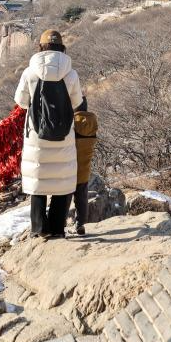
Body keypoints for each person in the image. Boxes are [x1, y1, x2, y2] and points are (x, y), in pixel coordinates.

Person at [14, 29, 83, 238]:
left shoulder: (30, 72)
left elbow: (21, 101)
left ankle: (39, 229)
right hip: (64, 135)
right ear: (62, 47)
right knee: (62, 181)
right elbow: (77, 102)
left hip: (37, 134)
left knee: (38, 180)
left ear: (41, 47)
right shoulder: (71, 73)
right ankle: (57, 228)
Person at [72, 95, 98, 236]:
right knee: (81, 197)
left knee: (64, 197)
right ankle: (80, 224)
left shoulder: (71, 122)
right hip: (84, 167)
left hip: (69, 166)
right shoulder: (92, 121)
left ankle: (60, 225)